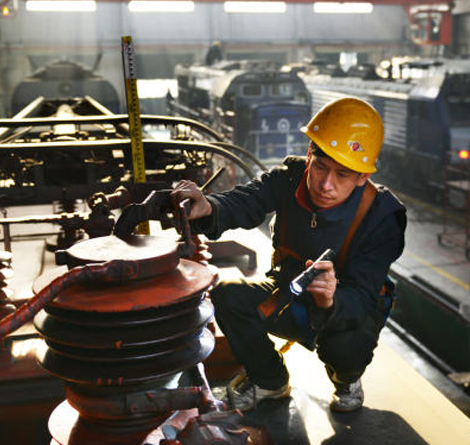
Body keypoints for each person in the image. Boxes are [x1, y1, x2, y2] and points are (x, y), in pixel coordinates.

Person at [171, 97, 406, 413]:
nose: (325, 184)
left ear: (362, 177)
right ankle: (270, 380)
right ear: (310, 154)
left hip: (346, 309)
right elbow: (248, 201)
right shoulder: (289, 179)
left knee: (345, 346)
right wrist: (209, 206)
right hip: (288, 294)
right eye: (320, 166)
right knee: (227, 298)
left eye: (342, 175)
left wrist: (331, 299)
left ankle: (347, 378)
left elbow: (364, 297)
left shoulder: (381, 217)